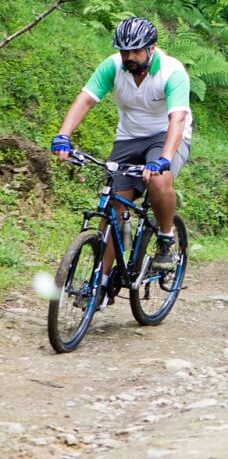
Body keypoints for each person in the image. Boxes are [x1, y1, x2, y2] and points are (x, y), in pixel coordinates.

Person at [51, 17, 192, 300]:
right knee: (114, 206)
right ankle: (100, 284)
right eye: (124, 51)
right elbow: (85, 99)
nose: (129, 57)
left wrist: (163, 159)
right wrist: (63, 135)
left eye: (136, 51)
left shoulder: (172, 71)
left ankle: (165, 239)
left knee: (159, 180)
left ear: (152, 48)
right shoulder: (113, 67)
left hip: (166, 135)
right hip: (128, 137)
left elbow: (177, 119)